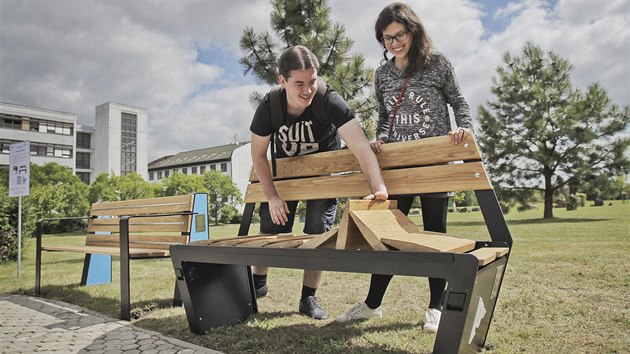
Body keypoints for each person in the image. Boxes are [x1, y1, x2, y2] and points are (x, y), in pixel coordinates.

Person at [335, 3, 473, 333]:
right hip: (399, 166)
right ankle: (372, 305)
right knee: (389, 238)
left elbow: (459, 101)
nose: (395, 43)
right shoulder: (382, 74)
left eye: (400, 35)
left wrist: (463, 128)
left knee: (434, 237)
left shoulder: (438, 65)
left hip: (434, 162)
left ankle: (435, 308)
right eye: (387, 38)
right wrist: (381, 138)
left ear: (413, 31)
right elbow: (385, 116)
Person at [249, 45, 388, 320]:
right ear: (282, 81)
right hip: (286, 177)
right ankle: (258, 283)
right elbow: (257, 154)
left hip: (322, 178)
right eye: (299, 83)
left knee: (316, 232)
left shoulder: (328, 100)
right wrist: (273, 197)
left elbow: (361, 147)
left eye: (312, 81)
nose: (307, 90)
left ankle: (308, 297)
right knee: (271, 228)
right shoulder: (270, 106)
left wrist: (379, 188)